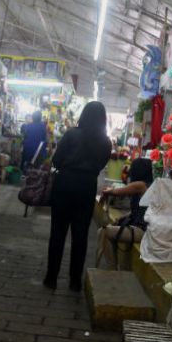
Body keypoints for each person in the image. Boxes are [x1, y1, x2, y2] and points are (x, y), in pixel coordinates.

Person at [44, 101, 112, 292]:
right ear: (103, 120)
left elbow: (56, 160)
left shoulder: (71, 134)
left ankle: (51, 278)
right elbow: (100, 166)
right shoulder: (105, 142)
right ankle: (75, 281)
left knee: (57, 232)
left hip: (64, 184)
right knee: (80, 236)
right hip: (86, 187)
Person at [96, 158, 154, 270]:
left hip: (142, 230)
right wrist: (123, 218)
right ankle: (115, 267)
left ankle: (112, 268)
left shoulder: (140, 185)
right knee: (107, 231)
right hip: (142, 228)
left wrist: (107, 191)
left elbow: (116, 192)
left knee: (104, 232)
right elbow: (138, 211)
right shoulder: (149, 185)